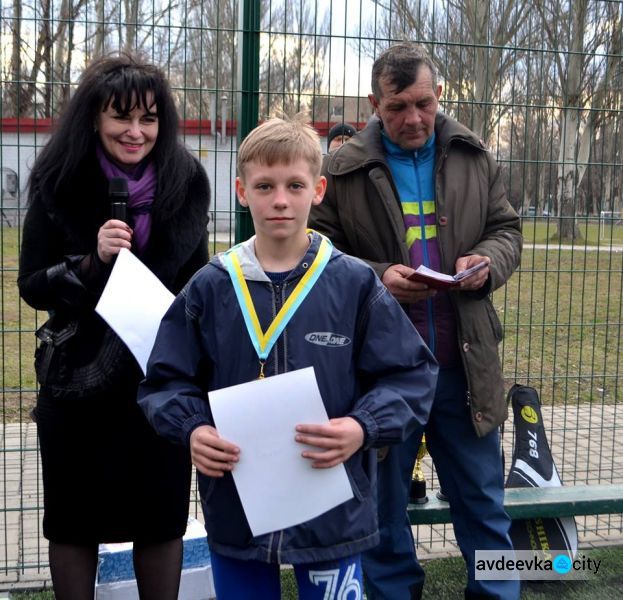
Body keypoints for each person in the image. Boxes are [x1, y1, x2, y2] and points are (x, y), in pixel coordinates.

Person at [137, 116, 438, 599]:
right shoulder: (211, 287)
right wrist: (192, 428)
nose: (280, 199)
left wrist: (362, 427)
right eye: (265, 186)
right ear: (241, 191)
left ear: (318, 189)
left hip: (331, 510)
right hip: (236, 509)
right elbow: (164, 381)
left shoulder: (354, 284)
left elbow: (412, 374)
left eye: (295, 185)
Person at [309, 42, 522, 600]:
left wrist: (488, 263)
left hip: (463, 363)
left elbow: (507, 230)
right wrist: (378, 277)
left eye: (423, 104)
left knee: (484, 507)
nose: (413, 118)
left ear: (440, 96)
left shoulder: (475, 156)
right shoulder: (343, 167)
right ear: (375, 104)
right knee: (381, 518)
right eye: (397, 107)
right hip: (381, 372)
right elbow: (317, 249)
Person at [18, 54, 210, 600]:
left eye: (148, 119)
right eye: (120, 117)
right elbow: (31, 284)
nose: (135, 131)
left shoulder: (188, 181)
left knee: (162, 515)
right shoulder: (58, 181)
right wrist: (89, 262)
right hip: (77, 380)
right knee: (73, 521)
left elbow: (195, 285)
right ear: (93, 118)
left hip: (161, 376)